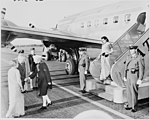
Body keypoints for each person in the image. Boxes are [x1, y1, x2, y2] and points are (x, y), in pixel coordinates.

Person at [124, 45, 144, 112]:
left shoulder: (139, 58)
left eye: (132, 49)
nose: (131, 51)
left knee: (134, 91)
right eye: (130, 49)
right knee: (129, 91)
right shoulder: (128, 57)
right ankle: (130, 105)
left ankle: (134, 107)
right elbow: (125, 67)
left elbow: (142, 69)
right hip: (128, 75)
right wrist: (125, 76)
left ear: (135, 50)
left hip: (134, 75)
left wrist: (140, 79)